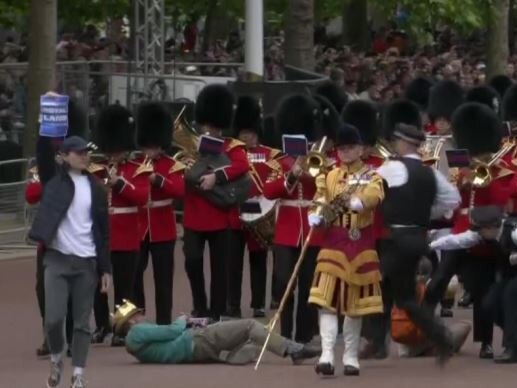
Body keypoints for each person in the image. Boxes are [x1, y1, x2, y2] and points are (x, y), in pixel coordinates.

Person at [425, 102, 516, 359]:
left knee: (482, 290)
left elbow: (503, 200)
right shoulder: (462, 166)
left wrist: (486, 180)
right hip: (462, 230)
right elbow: (455, 203)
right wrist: (462, 183)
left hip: (486, 234)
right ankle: (424, 332)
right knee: (439, 280)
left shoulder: (502, 168)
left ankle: (485, 342)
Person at [29, 134, 112, 388]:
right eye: (77, 152)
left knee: (81, 323)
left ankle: (78, 374)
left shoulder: (97, 187)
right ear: (64, 156)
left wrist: (105, 268)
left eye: (86, 152)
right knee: (53, 319)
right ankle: (56, 359)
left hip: (86, 262)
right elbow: (43, 152)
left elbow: (102, 230)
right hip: (56, 259)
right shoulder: (53, 179)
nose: (84, 156)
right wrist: (47, 122)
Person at [376, 121, 461, 366]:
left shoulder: (391, 168)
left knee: (385, 287)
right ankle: (381, 341)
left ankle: (379, 341)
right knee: (399, 294)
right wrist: (425, 213)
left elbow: (370, 189)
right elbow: (452, 199)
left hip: (398, 238)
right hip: (418, 237)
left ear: (403, 144)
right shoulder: (430, 172)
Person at [308, 124, 384, 377]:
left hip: (360, 243)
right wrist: (316, 214)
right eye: (342, 148)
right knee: (326, 302)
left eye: (350, 147)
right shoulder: (328, 175)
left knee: (355, 306)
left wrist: (361, 201)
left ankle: (350, 356)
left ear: (361, 149)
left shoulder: (372, 176)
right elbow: (320, 198)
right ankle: (327, 354)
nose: (345, 152)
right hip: (333, 243)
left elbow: (375, 195)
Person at [183, 84, 250, 320]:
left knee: (220, 269)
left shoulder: (232, 146)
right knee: (192, 262)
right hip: (194, 215)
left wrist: (216, 176)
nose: (210, 129)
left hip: (220, 217)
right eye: (207, 125)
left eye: (214, 125)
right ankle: (199, 305)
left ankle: (217, 311)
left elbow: (242, 166)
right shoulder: (191, 146)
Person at [263, 94, 323, 344]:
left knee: (310, 284)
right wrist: (292, 174)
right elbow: (269, 190)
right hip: (286, 229)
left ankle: (305, 336)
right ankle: (285, 335)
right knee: (282, 282)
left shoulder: (320, 158)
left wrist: (309, 168)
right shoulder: (278, 161)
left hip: (312, 226)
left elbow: (326, 184)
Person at [91, 104, 151, 346]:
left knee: (125, 287)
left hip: (126, 234)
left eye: (116, 151)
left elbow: (141, 198)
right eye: (110, 151)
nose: (113, 155)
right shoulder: (96, 171)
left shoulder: (138, 170)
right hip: (101, 235)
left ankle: (121, 327)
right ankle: (102, 326)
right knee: (98, 286)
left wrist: (119, 183)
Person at [430, 205, 517, 363]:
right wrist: (430, 246)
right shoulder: (483, 234)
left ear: (491, 227)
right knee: (489, 304)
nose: (477, 233)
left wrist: (513, 258)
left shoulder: (513, 232)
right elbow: (456, 241)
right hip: (509, 276)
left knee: (510, 296)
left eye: (480, 230)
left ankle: (512, 348)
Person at [113, 300, 320, 365]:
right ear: (131, 320)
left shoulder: (134, 344)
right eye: (137, 314)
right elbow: (171, 331)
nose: (141, 316)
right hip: (195, 340)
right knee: (249, 326)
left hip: (193, 348)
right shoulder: (136, 332)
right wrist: (182, 320)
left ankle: (238, 353)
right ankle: (293, 350)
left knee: (243, 330)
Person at [133, 102, 185, 325]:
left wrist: (157, 179)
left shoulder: (172, 165)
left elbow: (179, 190)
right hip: (138, 227)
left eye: (154, 146)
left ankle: (163, 321)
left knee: (163, 279)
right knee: (134, 275)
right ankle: (137, 316)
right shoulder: (135, 163)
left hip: (163, 228)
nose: (150, 151)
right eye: (147, 146)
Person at [230, 95, 280, 318]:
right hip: (235, 210)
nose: (247, 137)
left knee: (258, 261)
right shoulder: (231, 154)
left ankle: (258, 303)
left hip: (259, 211)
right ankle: (233, 303)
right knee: (233, 261)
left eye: (250, 133)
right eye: (243, 134)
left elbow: (274, 177)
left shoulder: (269, 154)